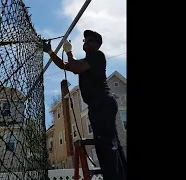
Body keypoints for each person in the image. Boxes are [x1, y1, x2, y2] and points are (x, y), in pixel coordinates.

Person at [43, 30, 126, 179]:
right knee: (111, 143)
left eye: (90, 40)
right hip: (98, 105)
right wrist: (50, 51)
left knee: (106, 146)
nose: (86, 42)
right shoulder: (85, 61)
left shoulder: (97, 56)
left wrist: (69, 52)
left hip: (102, 103)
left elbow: (75, 67)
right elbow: (65, 65)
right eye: (85, 40)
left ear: (97, 44)